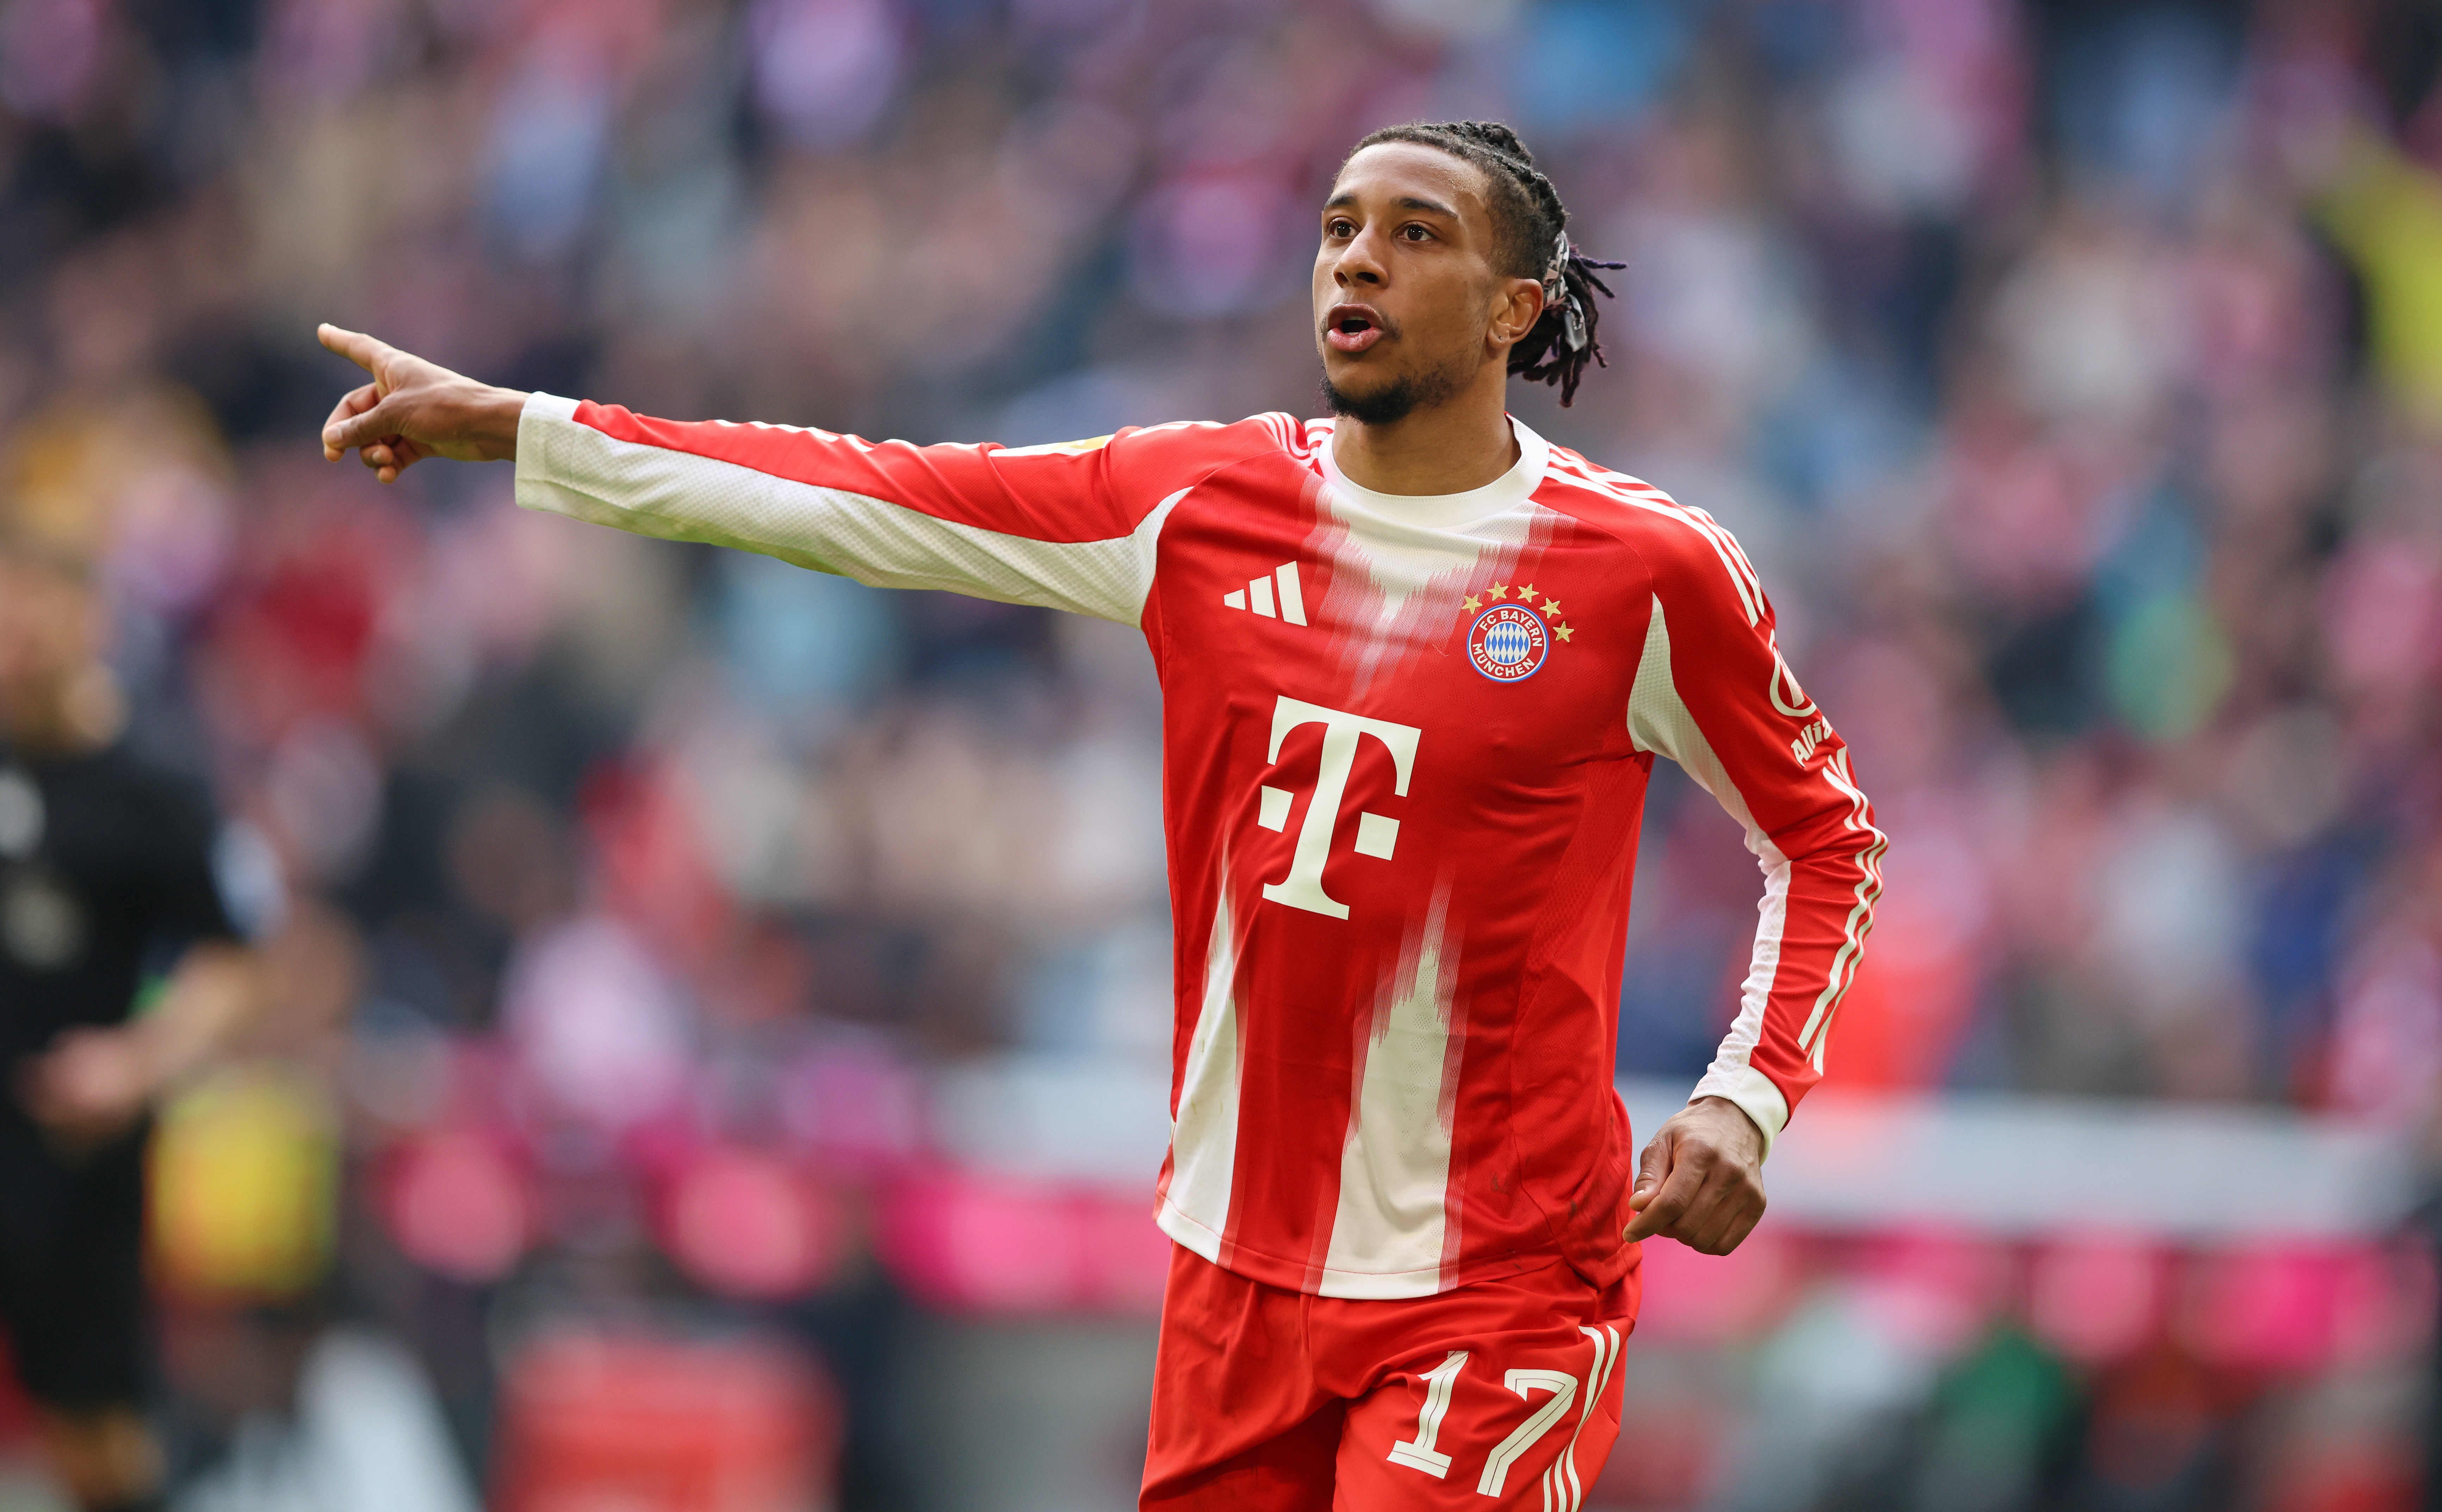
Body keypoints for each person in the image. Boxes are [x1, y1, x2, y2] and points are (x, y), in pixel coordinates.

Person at [316, 119, 1883, 1511]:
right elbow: (867, 497)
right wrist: (527, 430)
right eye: (1340, 226)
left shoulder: (1641, 572)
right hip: (1232, 1272)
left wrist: (1746, 1096)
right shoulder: (1193, 506)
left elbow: (1826, 838)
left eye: (1417, 235)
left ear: (1511, 311)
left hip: (1495, 1283)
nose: (1357, 259)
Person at [0, 531, 266, 1512]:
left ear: (87, 628)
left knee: (95, 1438)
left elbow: (235, 962)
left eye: (30, 636)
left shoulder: (155, 788)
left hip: (71, 1152)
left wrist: (136, 1064)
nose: (10, 659)